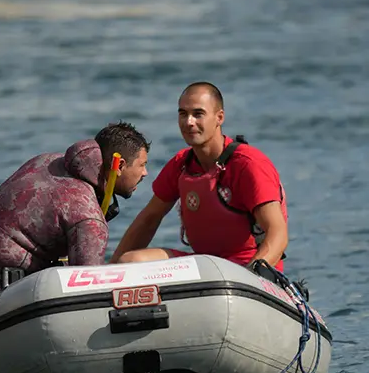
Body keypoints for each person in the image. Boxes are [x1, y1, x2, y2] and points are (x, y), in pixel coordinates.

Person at [0, 122, 150, 300]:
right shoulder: (87, 214)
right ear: (120, 165)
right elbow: (88, 290)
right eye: (142, 165)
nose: (145, 173)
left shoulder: (47, 160)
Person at [110, 82, 289, 271]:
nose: (189, 122)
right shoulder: (181, 164)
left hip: (247, 268)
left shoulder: (249, 164)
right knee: (130, 262)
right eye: (183, 114)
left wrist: (253, 276)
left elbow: (278, 234)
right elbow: (149, 219)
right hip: (205, 265)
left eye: (198, 114)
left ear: (219, 117)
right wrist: (108, 273)